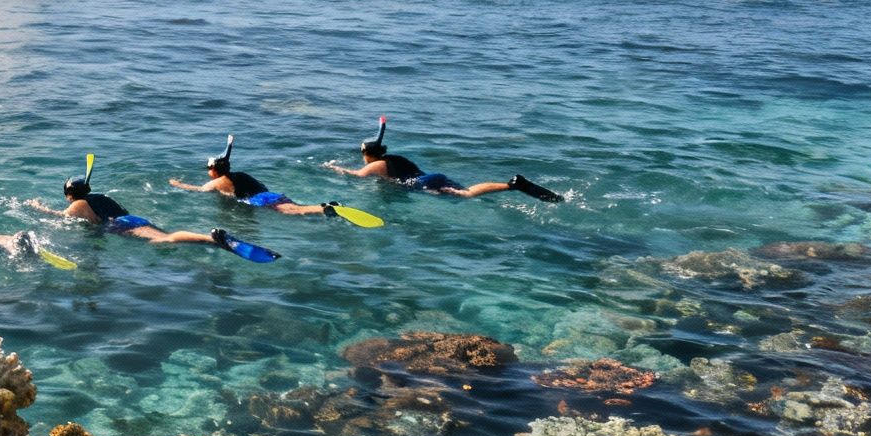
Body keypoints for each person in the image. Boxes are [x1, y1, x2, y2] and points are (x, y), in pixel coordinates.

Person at [331, 118, 561, 202]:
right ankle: (513, 184)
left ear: (368, 154)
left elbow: (358, 176)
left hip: (423, 184)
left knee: (464, 196)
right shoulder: (395, 159)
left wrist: (332, 169)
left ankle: (514, 185)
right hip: (430, 177)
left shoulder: (376, 165)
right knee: (468, 192)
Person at [27, 171, 248, 251]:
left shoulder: (77, 204)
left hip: (121, 225)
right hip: (132, 219)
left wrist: (39, 208)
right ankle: (212, 241)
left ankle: (211, 239)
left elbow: (62, 219)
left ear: (69, 194)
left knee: (163, 240)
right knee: (164, 237)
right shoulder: (100, 197)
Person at [170, 137, 345, 217]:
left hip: (260, 201)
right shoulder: (240, 175)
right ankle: (322, 207)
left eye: (209, 168)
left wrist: (178, 184)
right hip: (271, 194)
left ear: (215, 171)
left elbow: (199, 190)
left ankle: (324, 209)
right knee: (295, 207)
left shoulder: (218, 182)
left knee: (292, 212)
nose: (208, 171)